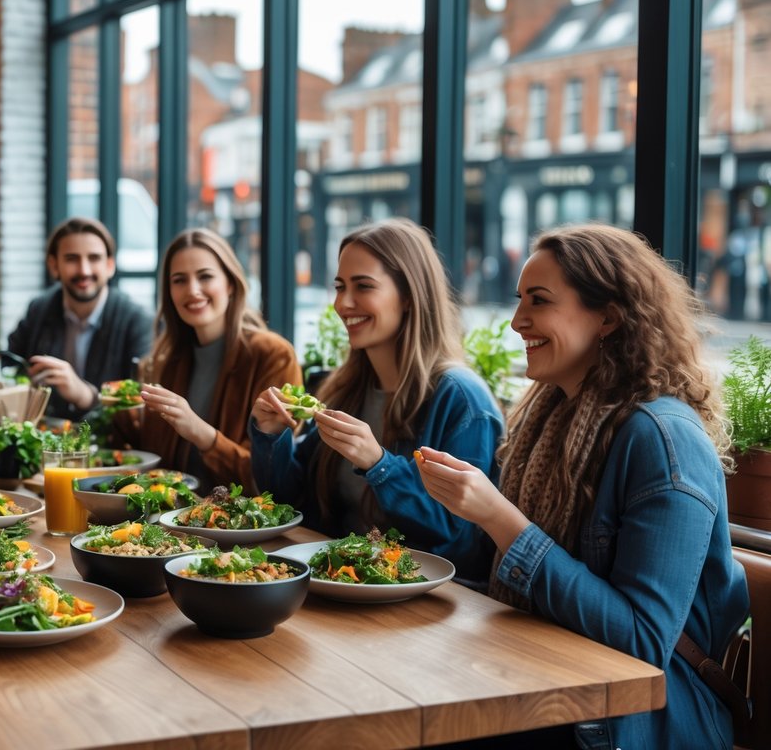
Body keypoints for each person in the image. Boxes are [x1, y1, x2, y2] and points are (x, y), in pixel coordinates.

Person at [415, 225, 748, 749]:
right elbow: (490, 576)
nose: (517, 320)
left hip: (629, 720)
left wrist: (499, 518)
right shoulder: (545, 417)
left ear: (609, 317)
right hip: (540, 678)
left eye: (539, 301)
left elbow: (643, 640)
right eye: (519, 299)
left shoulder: (663, 440)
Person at [250, 219, 503, 580]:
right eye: (339, 286)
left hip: (427, 604)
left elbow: (457, 532)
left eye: (363, 286)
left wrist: (378, 463)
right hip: (339, 585)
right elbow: (290, 500)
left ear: (408, 296)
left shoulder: (461, 398)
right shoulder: (346, 388)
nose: (343, 303)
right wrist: (271, 436)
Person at [112, 228, 301, 491]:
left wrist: (201, 433)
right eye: (179, 280)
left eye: (205, 276)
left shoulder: (274, 356)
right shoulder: (165, 361)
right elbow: (149, 460)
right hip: (167, 521)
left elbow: (268, 481)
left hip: (240, 525)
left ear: (230, 284)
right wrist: (107, 403)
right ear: (169, 292)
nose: (192, 290)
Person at [0, 217, 153, 420]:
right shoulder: (39, 309)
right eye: (72, 259)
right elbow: (12, 362)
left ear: (110, 265)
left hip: (112, 446)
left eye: (94, 258)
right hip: (46, 442)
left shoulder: (137, 321)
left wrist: (85, 394)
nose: (84, 270)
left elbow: (141, 399)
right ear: (53, 265)